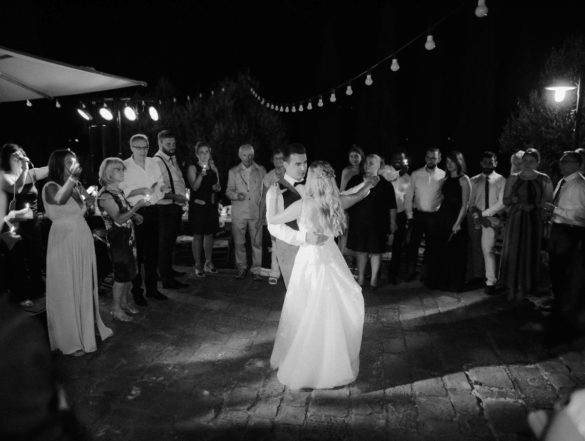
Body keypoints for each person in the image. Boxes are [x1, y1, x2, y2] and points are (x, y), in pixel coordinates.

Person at [267, 160, 378, 390]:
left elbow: (274, 220)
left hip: (309, 260)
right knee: (331, 307)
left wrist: (274, 198)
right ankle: (329, 361)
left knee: (307, 308)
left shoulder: (303, 205)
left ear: (313, 180)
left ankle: (307, 362)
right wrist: (370, 182)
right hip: (330, 258)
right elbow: (359, 195)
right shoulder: (335, 202)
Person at [42, 149, 112, 356]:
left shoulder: (76, 186)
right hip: (63, 241)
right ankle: (69, 341)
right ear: (57, 165)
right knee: (67, 287)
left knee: (83, 285)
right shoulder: (50, 186)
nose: (73, 164)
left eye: (74, 160)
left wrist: (88, 201)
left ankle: (86, 329)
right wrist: (73, 179)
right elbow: (59, 201)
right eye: (68, 161)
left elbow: (81, 210)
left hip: (81, 237)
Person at [97, 157, 149, 322]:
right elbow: (118, 219)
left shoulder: (118, 191)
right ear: (108, 173)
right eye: (117, 169)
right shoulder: (105, 195)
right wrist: (136, 208)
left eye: (122, 169)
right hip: (118, 241)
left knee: (129, 273)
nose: (122, 172)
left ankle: (125, 303)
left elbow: (125, 212)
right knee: (120, 275)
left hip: (128, 238)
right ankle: (116, 308)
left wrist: (135, 215)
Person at [499, 148, 554, 303]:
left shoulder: (545, 179)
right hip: (516, 219)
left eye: (531, 161)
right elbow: (505, 200)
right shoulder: (513, 178)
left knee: (530, 251)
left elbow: (548, 203)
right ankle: (511, 286)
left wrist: (536, 207)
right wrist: (514, 201)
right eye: (525, 161)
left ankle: (526, 287)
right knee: (513, 251)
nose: (528, 164)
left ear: (538, 162)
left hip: (534, 221)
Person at [543, 151, 585, 338]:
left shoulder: (580, 185)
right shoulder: (563, 182)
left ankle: (565, 312)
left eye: (565, 162)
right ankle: (558, 304)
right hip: (558, 230)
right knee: (555, 269)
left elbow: (581, 215)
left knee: (565, 272)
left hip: (570, 232)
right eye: (561, 162)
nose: (561, 165)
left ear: (577, 164)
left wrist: (556, 210)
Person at [121, 133, 167, 304]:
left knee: (153, 252)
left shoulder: (153, 162)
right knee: (137, 255)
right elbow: (122, 192)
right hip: (136, 212)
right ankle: (137, 291)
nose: (143, 150)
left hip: (153, 209)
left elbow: (161, 184)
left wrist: (156, 192)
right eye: (139, 147)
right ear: (131, 147)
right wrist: (141, 193)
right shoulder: (124, 166)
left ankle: (152, 289)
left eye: (145, 147)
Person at [0, 143, 48, 304]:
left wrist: (65, 160)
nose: (19, 157)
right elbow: (17, 189)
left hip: (32, 224)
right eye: (15, 155)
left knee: (36, 257)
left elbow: (51, 168)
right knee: (18, 260)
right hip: (13, 225)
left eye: (21, 153)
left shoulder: (30, 173)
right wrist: (25, 167)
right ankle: (21, 295)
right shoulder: (3, 175)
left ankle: (37, 290)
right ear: (7, 158)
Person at [346, 154, 397, 290]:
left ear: (379, 166)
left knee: (376, 251)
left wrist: (393, 223)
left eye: (372, 163)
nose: (367, 165)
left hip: (378, 224)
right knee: (361, 250)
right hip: (359, 222)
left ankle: (374, 278)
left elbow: (392, 205)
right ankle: (361, 277)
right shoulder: (355, 180)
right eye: (366, 162)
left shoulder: (385, 184)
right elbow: (346, 199)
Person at [425, 151, 471, 292]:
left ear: (459, 162)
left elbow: (465, 205)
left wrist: (457, 223)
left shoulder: (464, 179)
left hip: (456, 218)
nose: (450, 164)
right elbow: (440, 199)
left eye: (452, 161)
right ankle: (440, 283)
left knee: (455, 253)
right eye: (448, 162)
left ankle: (454, 284)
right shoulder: (445, 179)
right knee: (441, 251)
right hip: (443, 218)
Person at [154, 130, 189, 291]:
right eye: (168, 144)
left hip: (175, 206)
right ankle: (166, 279)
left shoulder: (172, 159)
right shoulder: (157, 161)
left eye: (174, 143)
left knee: (170, 243)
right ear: (160, 144)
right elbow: (156, 189)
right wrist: (176, 197)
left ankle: (168, 271)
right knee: (164, 245)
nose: (172, 146)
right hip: (165, 207)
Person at [468, 151, 507, 295]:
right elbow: (470, 201)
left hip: (491, 219)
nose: (487, 164)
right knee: (476, 248)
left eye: (491, 162)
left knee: (488, 249)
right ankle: (478, 276)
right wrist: (475, 214)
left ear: (495, 163)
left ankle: (490, 281)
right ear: (480, 163)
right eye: (485, 162)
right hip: (474, 218)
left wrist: (484, 214)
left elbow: (502, 202)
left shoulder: (501, 180)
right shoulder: (473, 180)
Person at [225, 144, 266, 280]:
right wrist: (236, 196)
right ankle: (241, 268)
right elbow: (228, 191)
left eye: (250, 155)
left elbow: (265, 192)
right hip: (239, 213)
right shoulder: (233, 172)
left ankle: (257, 270)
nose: (247, 158)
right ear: (239, 155)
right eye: (244, 155)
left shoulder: (261, 170)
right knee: (239, 243)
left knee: (257, 243)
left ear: (253, 155)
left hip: (256, 212)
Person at [404, 148, 446, 281]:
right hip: (418, 215)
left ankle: (425, 273)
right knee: (412, 245)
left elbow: (444, 197)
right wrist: (410, 216)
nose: (430, 160)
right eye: (428, 157)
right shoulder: (416, 174)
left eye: (433, 157)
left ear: (439, 159)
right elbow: (408, 196)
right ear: (425, 158)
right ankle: (410, 271)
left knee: (431, 245)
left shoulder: (444, 175)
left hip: (434, 216)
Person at [186, 141, 221, 278]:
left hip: (211, 205)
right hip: (198, 206)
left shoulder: (214, 168)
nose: (205, 154)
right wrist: (202, 173)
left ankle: (208, 262)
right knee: (198, 235)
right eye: (201, 152)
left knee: (210, 234)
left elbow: (218, 186)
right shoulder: (192, 168)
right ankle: (197, 264)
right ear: (197, 154)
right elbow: (194, 187)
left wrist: (217, 188)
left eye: (207, 152)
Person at [382, 151, 413, 285]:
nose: (398, 162)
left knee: (397, 246)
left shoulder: (408, 178)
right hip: (383, 213)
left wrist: (409, 217)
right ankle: (375, 271)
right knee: (379, 242)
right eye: (396, 159)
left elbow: (407, 199)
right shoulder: (384, 170)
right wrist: (400, 172)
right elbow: (388, 178)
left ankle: (393, 273)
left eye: (402, 160)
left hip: (400, 213)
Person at [260, 148, 285, 285]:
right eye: (276, 159)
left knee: (290, 243)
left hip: (289, 214)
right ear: (272, 161)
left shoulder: (291, 174)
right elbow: (263, 197)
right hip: (274, 215)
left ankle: (291, 271)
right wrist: (262, 214)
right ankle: (275, 272)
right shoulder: (268, 176)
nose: (279, 161)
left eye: (282, 158)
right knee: (275, 244)